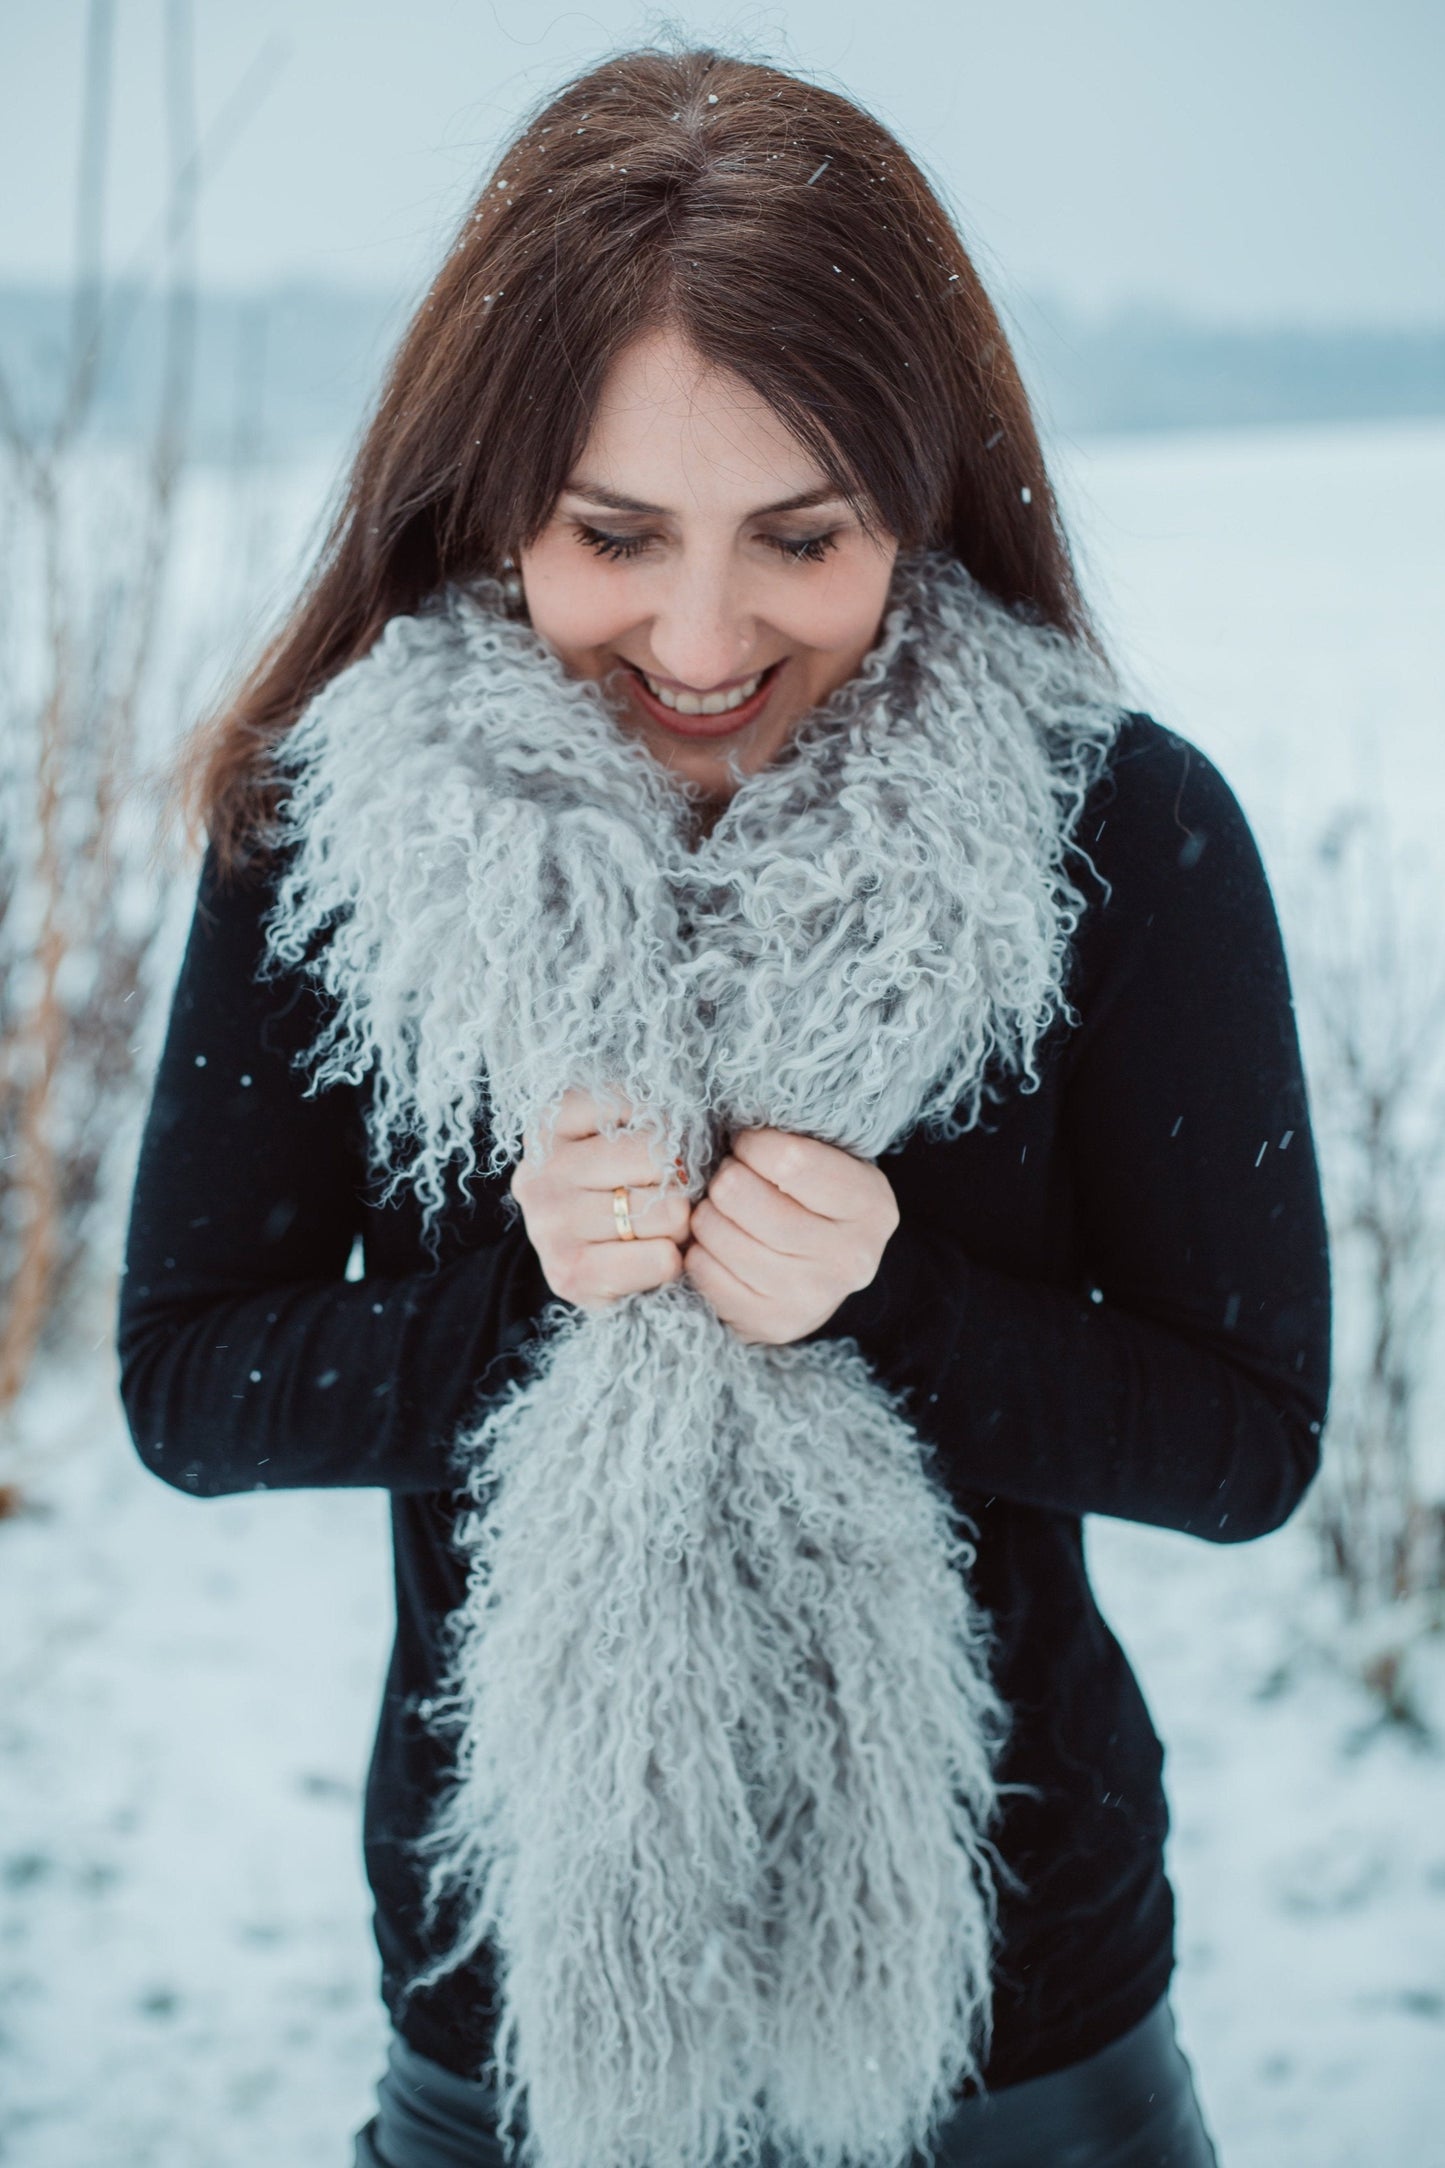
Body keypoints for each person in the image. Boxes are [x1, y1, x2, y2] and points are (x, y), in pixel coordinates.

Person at [118, 43, 1330, 2168]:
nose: (698, 633)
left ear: (923, 498)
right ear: (490, 491)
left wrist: (901, 1299)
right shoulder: (334, 844)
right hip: (511, 2018)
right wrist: (514, 1305)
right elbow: (187, 1378)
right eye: (614, 534)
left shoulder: (1118, 836)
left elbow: (1249, 1436)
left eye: (800, 535)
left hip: (1019, 2024)